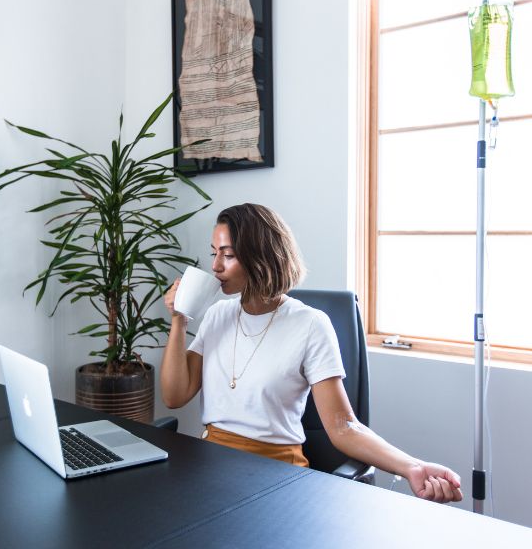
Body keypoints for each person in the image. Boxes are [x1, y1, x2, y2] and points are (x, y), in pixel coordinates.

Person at [161, 203, 463, 504]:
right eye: (214, 253)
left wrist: (413, 467)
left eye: (228, 255)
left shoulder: (310, 325)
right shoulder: (218, 315)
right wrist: (180, 318)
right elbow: (174, 396)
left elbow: (344, 427)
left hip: (274, 474)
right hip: (212, 466)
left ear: (260, 256)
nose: (215, 266)